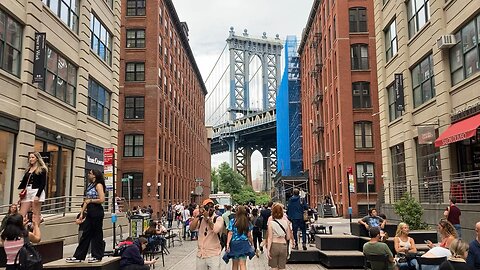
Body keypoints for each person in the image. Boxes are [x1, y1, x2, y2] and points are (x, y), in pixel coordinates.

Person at [66, 169, 106, 263]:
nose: (88, 175)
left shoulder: (98, 185)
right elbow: (86, 200)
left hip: (96, 210)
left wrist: (91, 201)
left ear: (95, 175)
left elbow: (102, 199)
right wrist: (81, 213)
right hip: (89, 210)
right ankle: (79, 256)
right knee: (86, 233)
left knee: (97, 233)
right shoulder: (90, 185)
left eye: (90, 173)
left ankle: (97, 255)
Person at [189, 198, 224, 270]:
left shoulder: (218, 218)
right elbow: (191, 228)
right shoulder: (201, 219)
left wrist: (207, 218)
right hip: (201, 254)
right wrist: (198, 216)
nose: (209, 209)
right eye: (207, 207)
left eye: (211, 206)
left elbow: (215, 230)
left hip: (213, 254)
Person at [18, 152, 47, 225]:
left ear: (37, 158)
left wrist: (37, 195)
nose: (30, 159)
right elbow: (25, 183)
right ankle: (20, 231)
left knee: (36, 213)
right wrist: (21, 197)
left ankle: (36, 231)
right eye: (30, 157)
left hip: (36, 191)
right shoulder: (28, 169)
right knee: (21, 214)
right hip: (27, 191)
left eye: (32, 157)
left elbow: (43, 184)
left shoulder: (42, 169)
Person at [266, 203, 292, 270]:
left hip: (274, 245)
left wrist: (268, 250)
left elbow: (270, 238)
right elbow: (288, 237)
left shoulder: (271, 223)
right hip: (283, 245)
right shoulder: (286, 222)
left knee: (273, 267)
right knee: (282, 267)